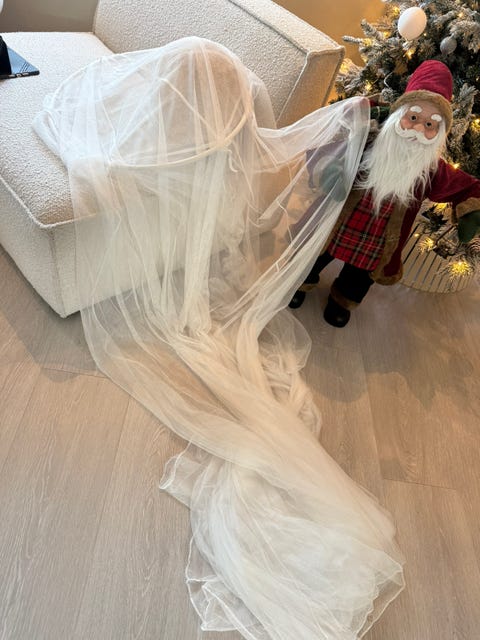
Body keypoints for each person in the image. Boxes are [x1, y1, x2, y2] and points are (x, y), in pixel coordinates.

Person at [289, 60, 480, 327]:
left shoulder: (431, 170)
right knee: (316, 250)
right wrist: (330, 169)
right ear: (398, 113)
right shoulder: (370, 139)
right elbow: (333, 146)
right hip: (338, 220)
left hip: (378, 239)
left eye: (430, 125)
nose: (418, 129)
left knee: (360, 275)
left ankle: (343, 299)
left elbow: (467, 186)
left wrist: (471, 211)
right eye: (413, 118)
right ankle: (300, 281)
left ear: (439, 134)